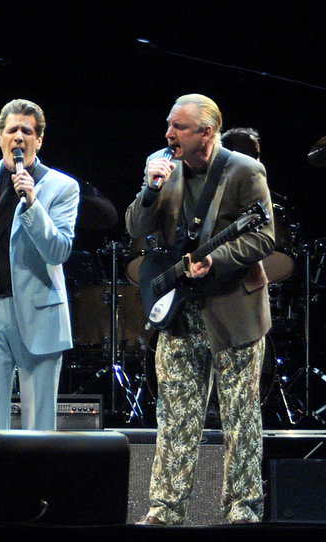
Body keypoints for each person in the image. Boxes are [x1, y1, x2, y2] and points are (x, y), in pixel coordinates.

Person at [126, 94, 274, 525]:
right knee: (174, 416)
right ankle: (165, 511)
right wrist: (150, 188)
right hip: (179, 313)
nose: (168, 134)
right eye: (168, 125)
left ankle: (243, 511)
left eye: (179, 127)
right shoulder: (163, 166)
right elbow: (136, 226)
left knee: (240, 419)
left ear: (206, 133)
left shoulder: (244, 170)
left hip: (233, 311)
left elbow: (264, 236)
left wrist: (219, 260)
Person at [0, 99, 79, 430]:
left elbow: (59, 251)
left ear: (39, 139)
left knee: (39, 421)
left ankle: (37, 483)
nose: (18, 137)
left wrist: (33, 202)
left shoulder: (63, 187)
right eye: (12, 130)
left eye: (27, 131)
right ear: (0, 137)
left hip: (39, 311)